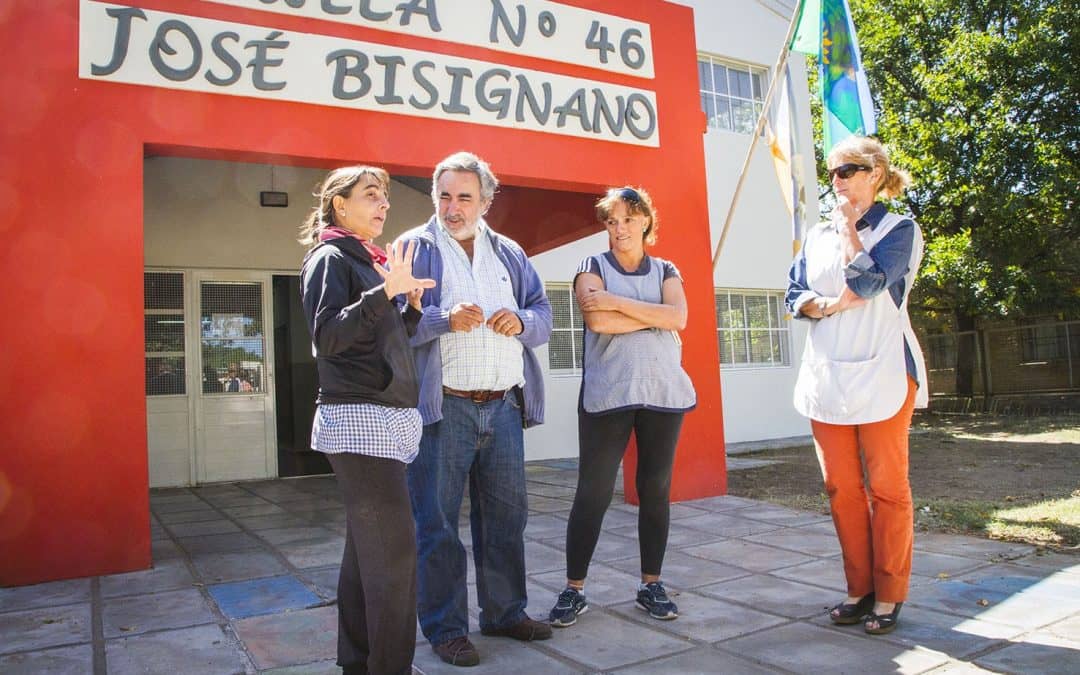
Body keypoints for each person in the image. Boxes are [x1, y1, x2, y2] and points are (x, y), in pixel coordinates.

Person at [395, 151, 553, 666]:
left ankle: (505, 613)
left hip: (503, 408)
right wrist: (442, 318)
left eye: (465, 196)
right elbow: (392, 327)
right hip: (445, 412)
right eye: (444, 194)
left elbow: (543, 314)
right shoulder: (412, 249)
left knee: (507, 518)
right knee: (437, 523)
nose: (452, 206)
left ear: (486, 200)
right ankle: (445, 629)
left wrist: (523, 323)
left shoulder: (509, 253)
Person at [786, 135, 928, 636]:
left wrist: (850, 228)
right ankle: (859, 588)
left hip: (885, 373)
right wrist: (825, 305)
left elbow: (866, 283)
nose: (837, 181)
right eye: (832, 173)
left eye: (846, 171)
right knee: (841, 488)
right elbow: (792, 294)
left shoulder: (899, 229)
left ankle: (889, 594)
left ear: (874, 174)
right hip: (828, 374)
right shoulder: (815, 234)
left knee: (888, 489)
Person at [298, 165, 435, 674]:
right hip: (360, 421)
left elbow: (373, 341)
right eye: (371, 195)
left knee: (366, 557)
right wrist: (384, 294)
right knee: (396, 561)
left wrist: (410, 310)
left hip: (385, 420)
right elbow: (328, 337)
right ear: (340, 205)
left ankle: (357, 662)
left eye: (385, 198)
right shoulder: (331, 257)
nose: (383, 205)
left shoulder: (368, 261)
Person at [547, 186, 696, 629]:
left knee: (655, 489)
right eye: (612, 221)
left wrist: (616, 301)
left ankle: (651, 584)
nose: (620, 229)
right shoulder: (591, 267)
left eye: (629, 219)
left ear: (646, 221)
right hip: (609, 395)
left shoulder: (667, 269)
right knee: (592, 493)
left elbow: (679, 318)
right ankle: (574, 589)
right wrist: (650, 314)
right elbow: (597, 320)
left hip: (663, 393)